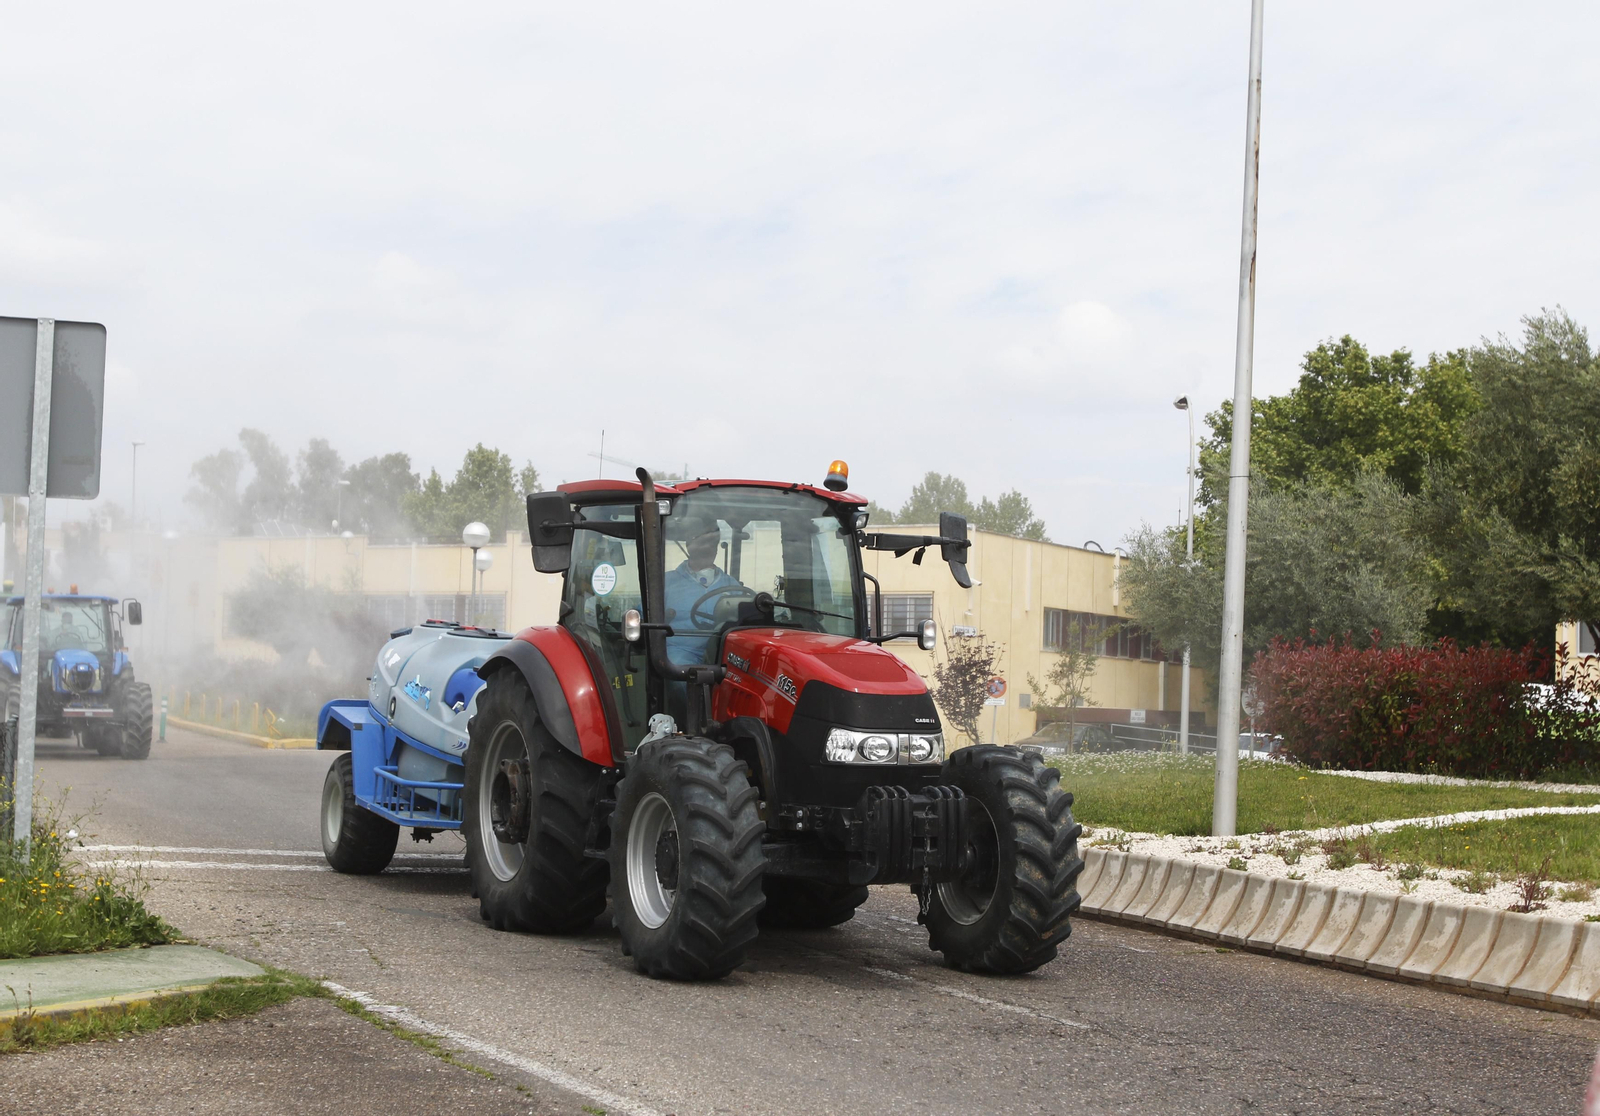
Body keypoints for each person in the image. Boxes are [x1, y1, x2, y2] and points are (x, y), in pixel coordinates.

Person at [663, 519, 744, 667]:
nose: (707, 547)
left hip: (723, 654)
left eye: (712, 542)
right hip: (680, 652)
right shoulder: (666, 583)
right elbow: (642, 615)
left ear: (717, 547)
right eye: (701, 541)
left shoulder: (732, 585)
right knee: (677, 669)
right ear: (689, 545)